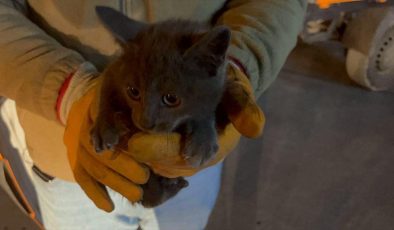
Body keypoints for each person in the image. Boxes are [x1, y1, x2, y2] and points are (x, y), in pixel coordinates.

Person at [0, 0, 307, 229]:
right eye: (137, 97)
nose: (144, 120)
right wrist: (68, 89)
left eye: (168, 100)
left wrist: (238, 63)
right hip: (68, 158)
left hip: (188, 154)